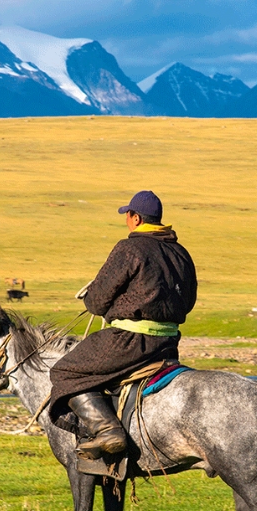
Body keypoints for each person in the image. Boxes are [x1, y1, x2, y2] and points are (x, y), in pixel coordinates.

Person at [48, 190, 197, 460]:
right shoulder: (180, 252)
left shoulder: (129, 248)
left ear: (136, 218)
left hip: (129, 342)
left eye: (127, 215)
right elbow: (187, 303)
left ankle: (107, 431)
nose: (126, 220)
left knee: (64, 370)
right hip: (168, 345)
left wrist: (102, 299)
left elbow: (96, 302)